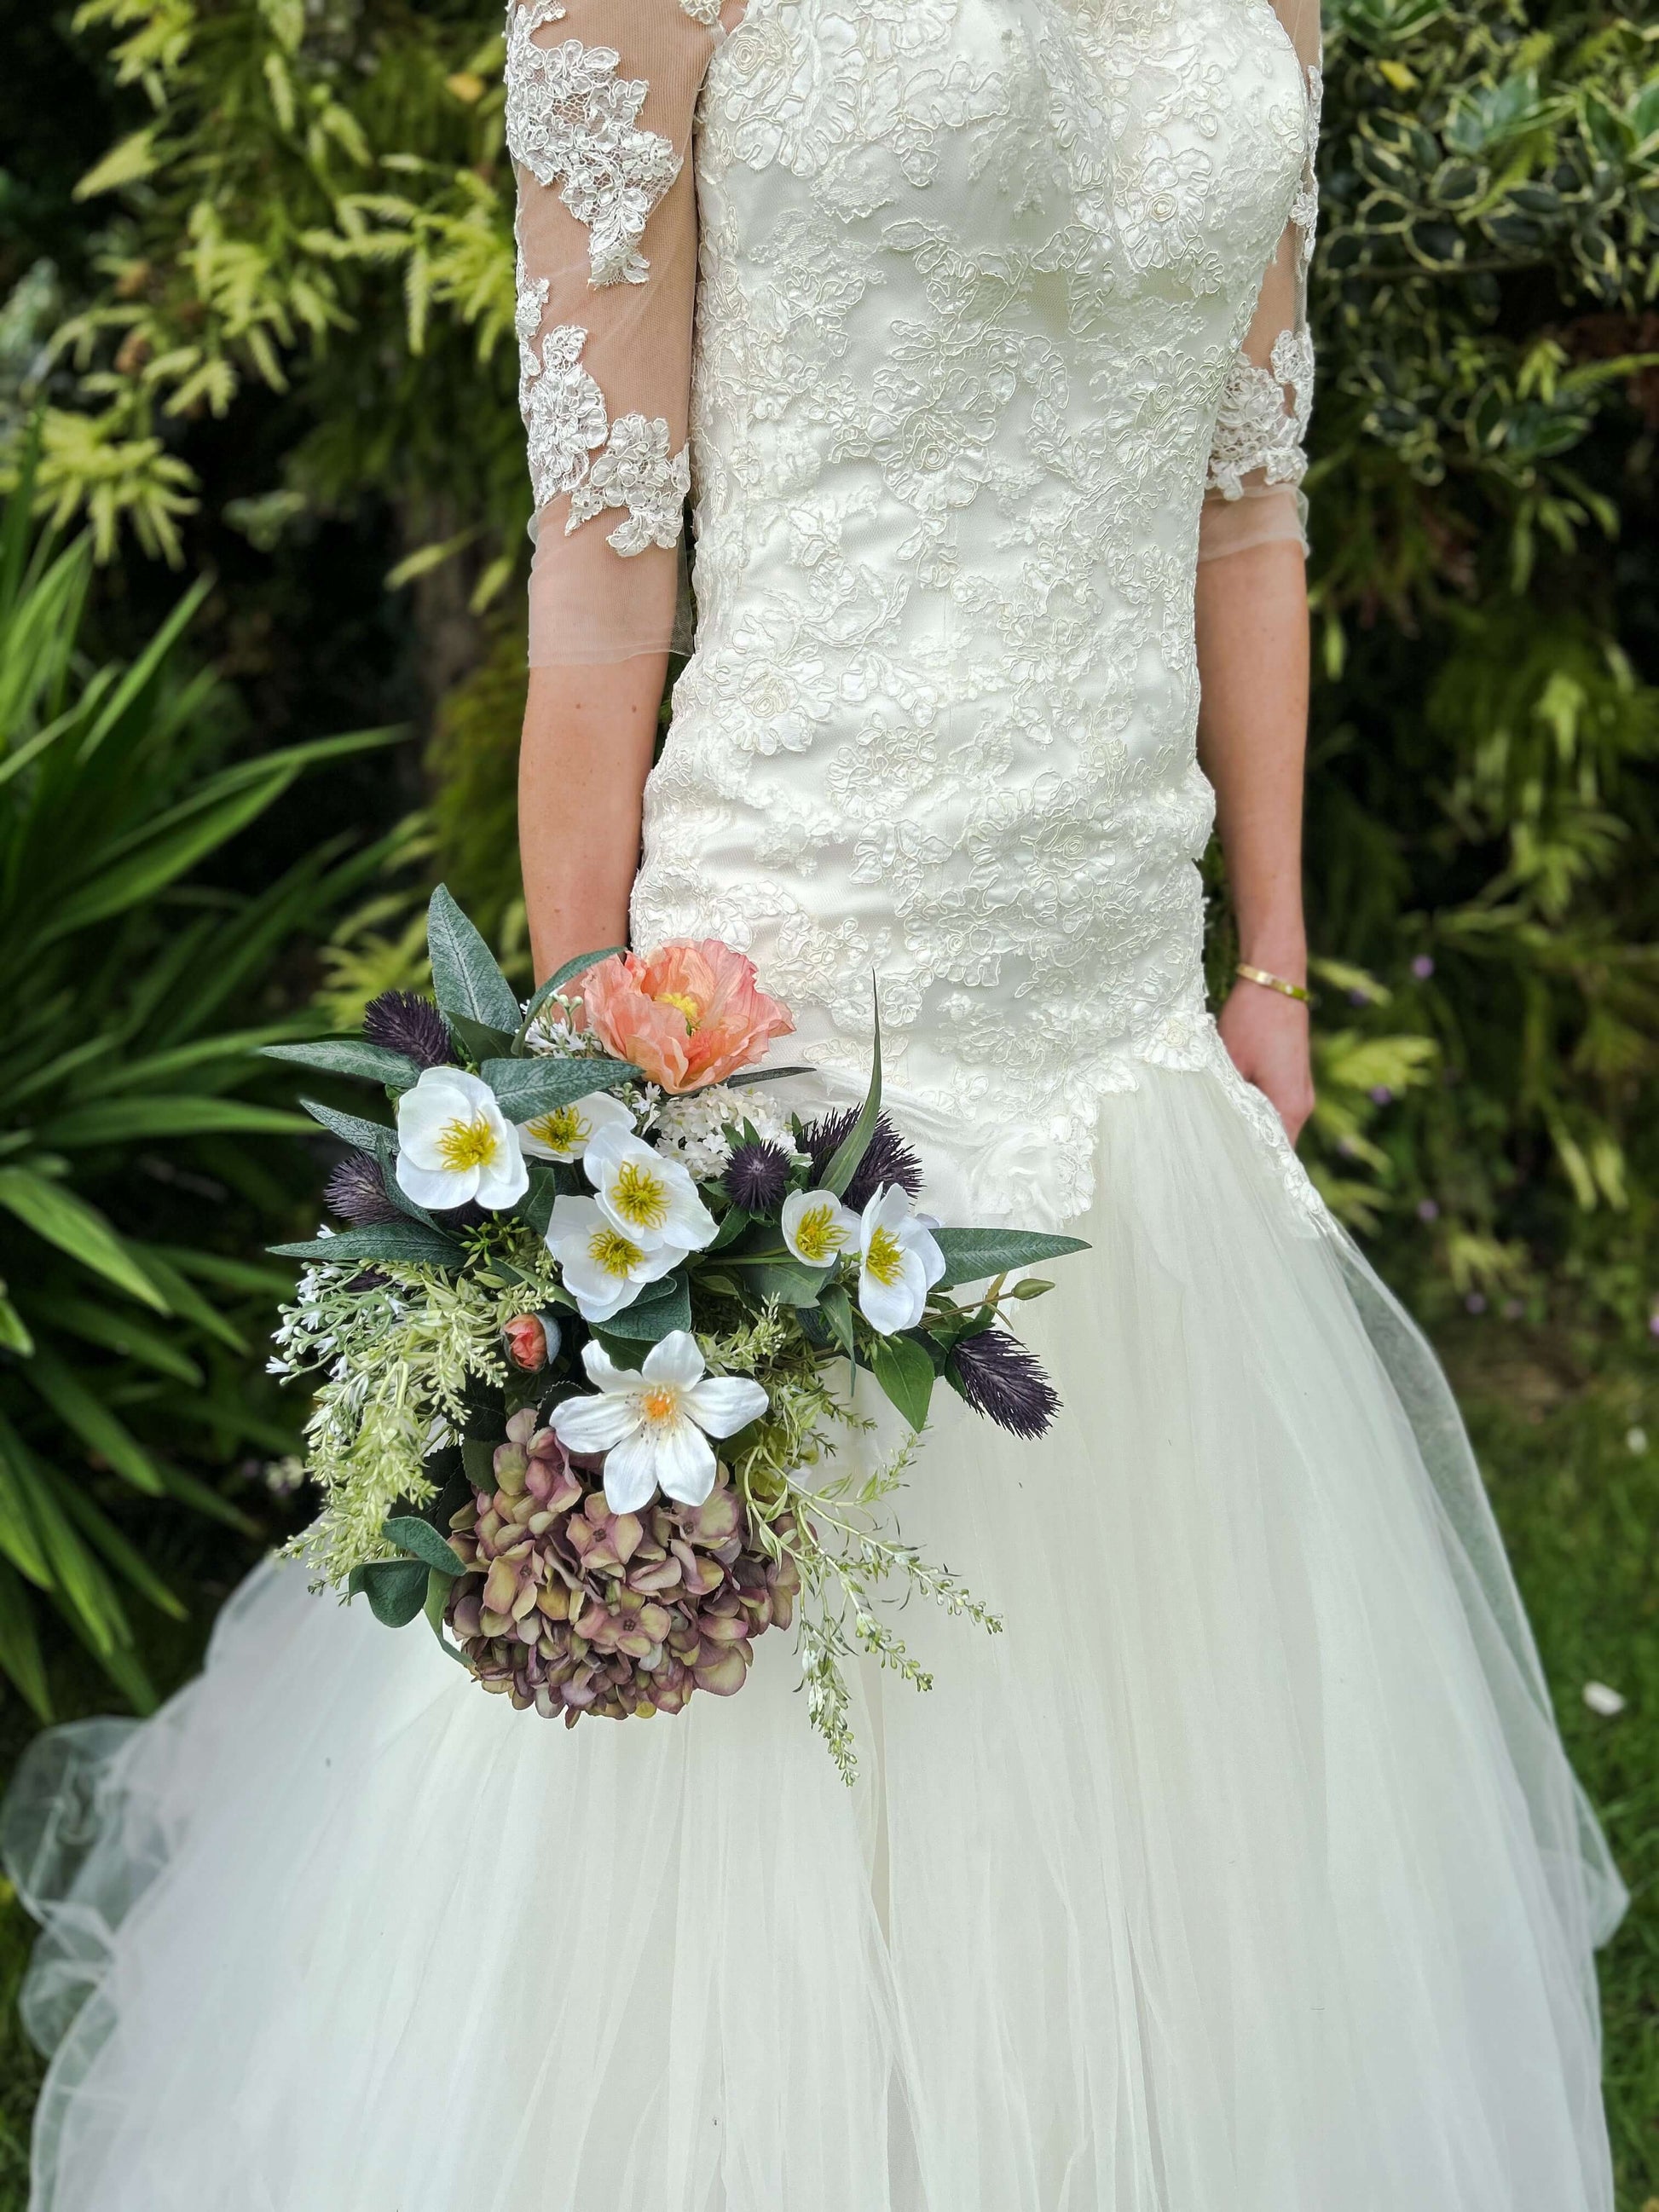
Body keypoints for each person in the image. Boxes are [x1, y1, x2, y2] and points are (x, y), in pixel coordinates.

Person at [3, 3, 1627, 2206]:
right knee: (733, 1746)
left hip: (1114, 990)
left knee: (1171, 1748)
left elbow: (1248, 510)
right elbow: (603, 537)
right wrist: (584, 1037)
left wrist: (1267, 954)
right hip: (787, 987)